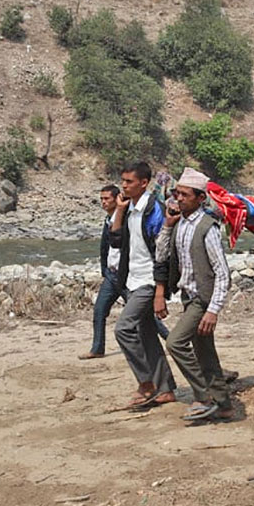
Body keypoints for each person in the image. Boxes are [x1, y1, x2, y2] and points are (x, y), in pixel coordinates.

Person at [154, 168, 233, 422]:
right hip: (189, 296)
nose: (179, 198)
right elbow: (162, 254)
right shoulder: (179, 224)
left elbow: (222, 273)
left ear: (200, 198)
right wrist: (167, 226)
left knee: (175, 342)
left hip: (202, 298)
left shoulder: (207, 228)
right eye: (177, 194)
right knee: (205, 352)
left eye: (185, 195)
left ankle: (203, 396)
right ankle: (224, 405)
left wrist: (213, 309)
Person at [110, 162, 176, 407]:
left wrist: (160, 291)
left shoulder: (153, 210)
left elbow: (162, 252)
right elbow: (116, 240)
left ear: (143, 183)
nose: (124, 185)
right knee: (147, 334)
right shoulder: (128, 208)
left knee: (123, 329)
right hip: (132, 279)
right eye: (123, 181)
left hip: (148, 280)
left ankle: (146, 382)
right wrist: (118, 210)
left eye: (129, 182)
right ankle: (166, 388)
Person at [80, 185, 168, 360]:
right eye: (102, 199)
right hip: (112, 275)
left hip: (127, 276)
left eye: (107, 199)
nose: (104, 203)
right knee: (99, 310)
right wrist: (104, 269)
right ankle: (97, 348)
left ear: (117, 198)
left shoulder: (129, 219)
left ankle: (171, 341)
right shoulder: (109, 220)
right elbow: (107, 247)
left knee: (145, 315)